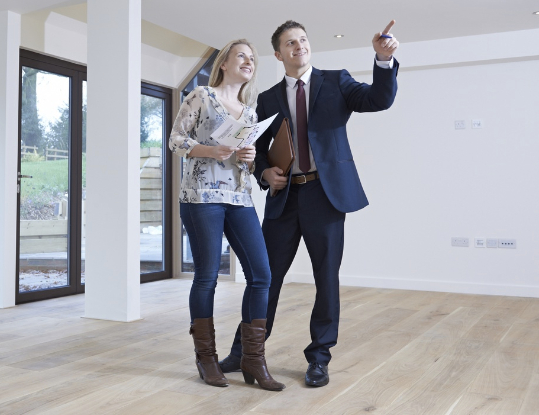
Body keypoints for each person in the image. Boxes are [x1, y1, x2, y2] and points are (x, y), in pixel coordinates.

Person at [219, 20, 399, 387]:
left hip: (325, 195)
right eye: (290, 42)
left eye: (302, 40)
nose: (298, 46)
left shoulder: (337, 82)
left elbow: (379, 100)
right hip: (285, 199)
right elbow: (256, 151)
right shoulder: (267, 99)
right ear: (278, 54)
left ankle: (319, 358)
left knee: (325, 279)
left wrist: (383, 61)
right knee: (263, 279)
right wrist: (265, 173)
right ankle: (245, 352)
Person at [169, 39, 284, 391]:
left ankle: (253, 358)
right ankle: (207, 360)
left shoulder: (250, 112)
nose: (249, 62)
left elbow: (241, 164)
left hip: (239, 197)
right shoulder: (201, 96)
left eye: (252, 58)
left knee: (262, 275)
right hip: (201, 196)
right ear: (224, 63)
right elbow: (176, 140)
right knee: (206, 277)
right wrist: (211, 149)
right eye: (242, 57)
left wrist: (248, 158)